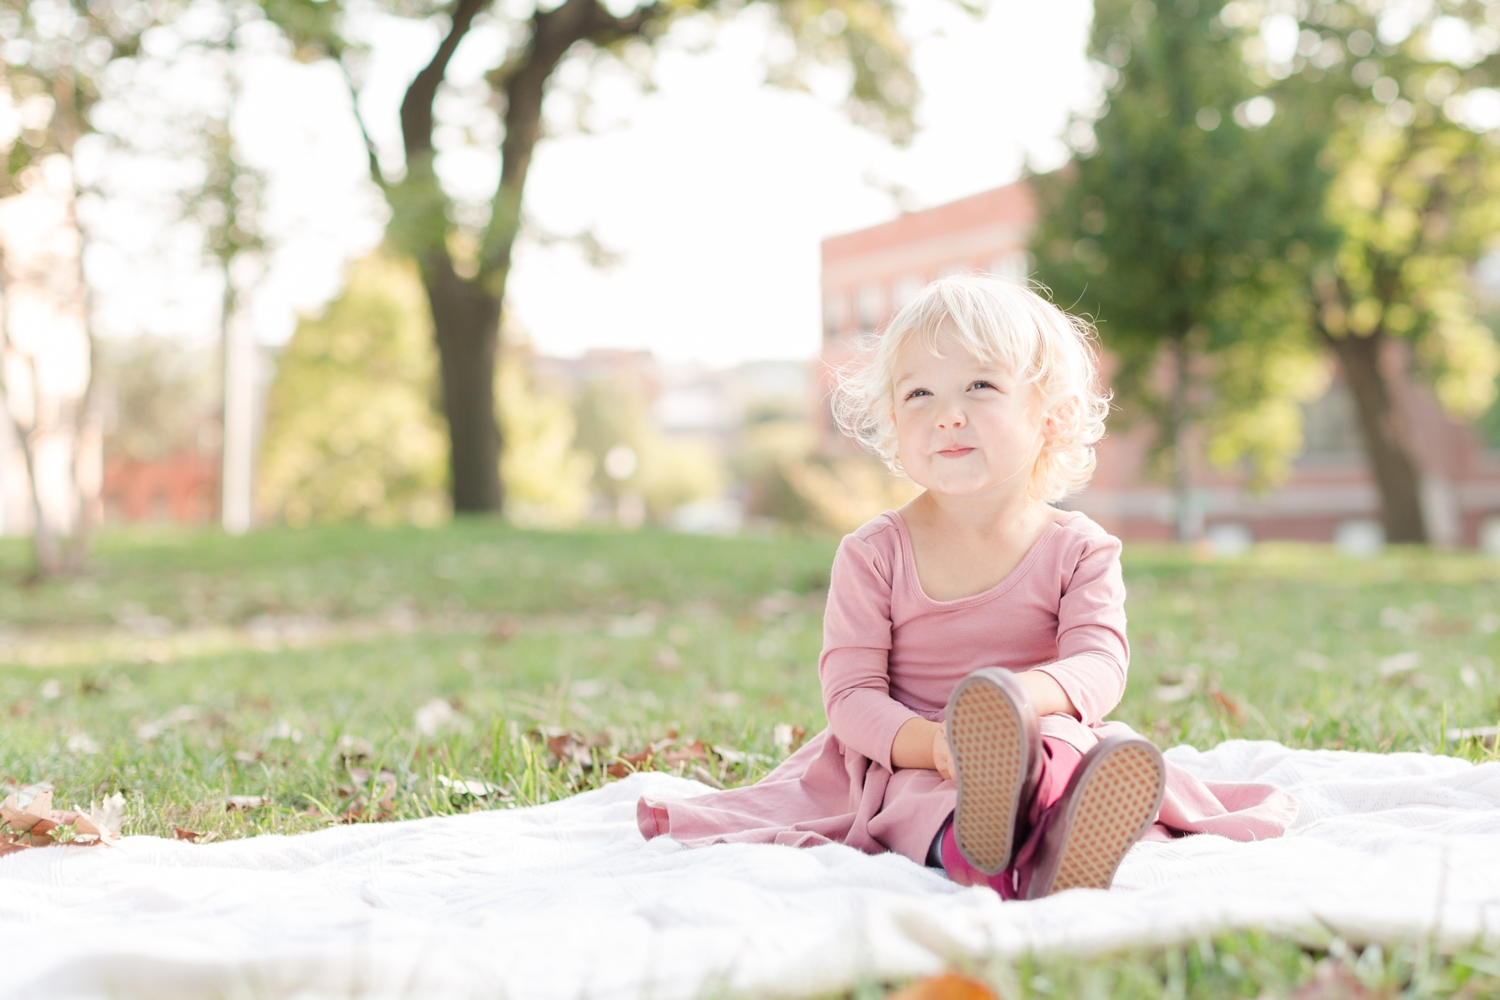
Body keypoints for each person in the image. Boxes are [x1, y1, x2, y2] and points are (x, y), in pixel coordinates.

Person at [637, 275, 1296, 898]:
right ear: (893, 421)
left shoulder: (1081, 548)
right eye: (920, 395)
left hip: (1039, 732)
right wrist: (938, 745)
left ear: (1050, 418)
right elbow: (851, 697)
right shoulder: (873, 554)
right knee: (916, 798)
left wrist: (1012, 703)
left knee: (1079, 749)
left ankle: (1062, 831)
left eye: (979, 386)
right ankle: (986, 857)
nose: (947, 416)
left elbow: (1099, 666)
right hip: (908, 751)